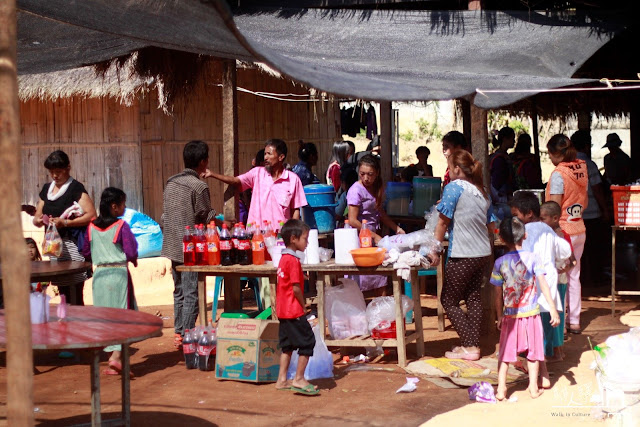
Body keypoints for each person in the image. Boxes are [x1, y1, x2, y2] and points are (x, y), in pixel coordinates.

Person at [428, 150, 494, 360]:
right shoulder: (481, 191)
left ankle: (470, 345)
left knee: (448, 300)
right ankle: (471, 346)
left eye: (449, 166)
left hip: (463, 254)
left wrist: (435, 249)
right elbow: (491, 224)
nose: (448, 171)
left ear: (457, 168)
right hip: (483, 253)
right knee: (473, 297)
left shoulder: (453, 188)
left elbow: (442, 222)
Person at [491, 217, 560, 401]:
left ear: (502, 239)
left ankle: (501, 389)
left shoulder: (499, 263)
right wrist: (553, 309)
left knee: (505, 354)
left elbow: (497, 294)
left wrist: (499, 316)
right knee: (534, 352)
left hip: (510, 316)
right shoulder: (534, 258)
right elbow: (544, 285)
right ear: (525, 236)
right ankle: (532, 387)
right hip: (531, 314)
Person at [161, 140, 221, 349]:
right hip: (189, 248)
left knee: (178, 291)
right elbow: (205, 215)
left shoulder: (171, 182)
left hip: (171, 243)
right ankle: (186, 334)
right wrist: (221, 221)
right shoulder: (199, 186)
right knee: (191, 293)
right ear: (204, 162)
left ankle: (179, 333)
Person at [509, 192, 570, 377]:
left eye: (516, 214)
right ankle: (543, 368)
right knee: (544, 326)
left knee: (535, 330)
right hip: (548, 282)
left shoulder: (525, 233)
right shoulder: (547, 229)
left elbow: (522, 260)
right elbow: (565, 251)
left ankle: (537, 372)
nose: (514, 218)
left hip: (534, 285)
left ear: (528, 214)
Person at [82, 187, 138, 376]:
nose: (124, 207)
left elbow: (86, 252)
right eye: (123, 204)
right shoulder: (121, 226)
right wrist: (134, 259)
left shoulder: (91, 226)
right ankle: (115, 357)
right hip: (119, 275)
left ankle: (112, 358)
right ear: (114, 206)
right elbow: (130, 251)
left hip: (99, 277)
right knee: (124, 317)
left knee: (105, 317)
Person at [33, 150, 97, 305]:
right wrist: (40, 220)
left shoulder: (75, 188)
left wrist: (66, 223)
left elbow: (92, 215)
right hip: (54, 246)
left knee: (75, 288)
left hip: (72, 245)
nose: (55, 176)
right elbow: (37, 216)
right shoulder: (47, 189)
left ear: (68, 168)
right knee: (62, 290)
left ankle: (77, 323)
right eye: (52, 172)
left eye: (59, 172)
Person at [207, 139, 307, 227]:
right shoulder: (257, 173)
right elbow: (235, 181)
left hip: (280, 237)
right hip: (256, 235)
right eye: (265, 154)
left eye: (269, 154)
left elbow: (295, 210)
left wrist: (292, 231)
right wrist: (213, 174)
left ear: (281, 157)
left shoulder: (293, 179)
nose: (265, 158)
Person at [545, 134, 588, 335]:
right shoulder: (581, 168)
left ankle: (559, 325)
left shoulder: (558, 175)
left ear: (556, 154)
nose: (549, 158)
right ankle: (575, 321)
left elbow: (554, 207)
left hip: (562, 231)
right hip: (579, 226)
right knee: (574, 275)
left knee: (558, 277)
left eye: (549, 154)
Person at [347, 155, 405, 295]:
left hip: (371, 236)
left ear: (377, 173)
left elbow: (380, 213)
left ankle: (380, 308)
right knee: (361, 277)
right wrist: (374, 236)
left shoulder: (376, 188)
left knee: (379, 274)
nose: (366, 178)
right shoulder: (355, 190)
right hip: (359, 237)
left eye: (370, 174)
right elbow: (353, 220)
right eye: (362, 174)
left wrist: (396, 228)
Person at [274, 219, 319, 396]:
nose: (307, 243)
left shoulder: (284, 259)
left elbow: (288, 281)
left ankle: (282, 380)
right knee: (308, 341)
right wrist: (304, 304)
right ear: (294, 239)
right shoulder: (293, 260)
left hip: (283, 310)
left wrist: (301, 278)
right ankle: (299, 378)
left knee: (288, 345)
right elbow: (295, 288)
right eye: (305, 239)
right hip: (293, 310)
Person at [572, 130, 610, 287]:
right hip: (592, 213)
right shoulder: (590, 165)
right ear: (587, 146)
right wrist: (605, 210)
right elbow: (597, 190)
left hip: (574, 214)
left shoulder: (568, 165)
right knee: (594, 247)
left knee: (580, 251)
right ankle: (595, 277)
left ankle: (582, 278)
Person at [540, 201, 576, 361]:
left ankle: (555, 351)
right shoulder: (548, 235)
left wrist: (564, 270)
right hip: (552, 281)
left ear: (555, 218)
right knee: (553, 316)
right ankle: (556, 350)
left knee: (553, 317)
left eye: (543, 218)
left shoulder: (561, 236)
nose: (541, 222)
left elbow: (573, 261)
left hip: (558, 282)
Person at [489, 127, 516, 220]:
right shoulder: (499, 160)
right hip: (500, 199)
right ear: (505, 139)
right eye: (512, 138)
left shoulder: (501, 156)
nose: (514, 141)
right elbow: (497, 183)